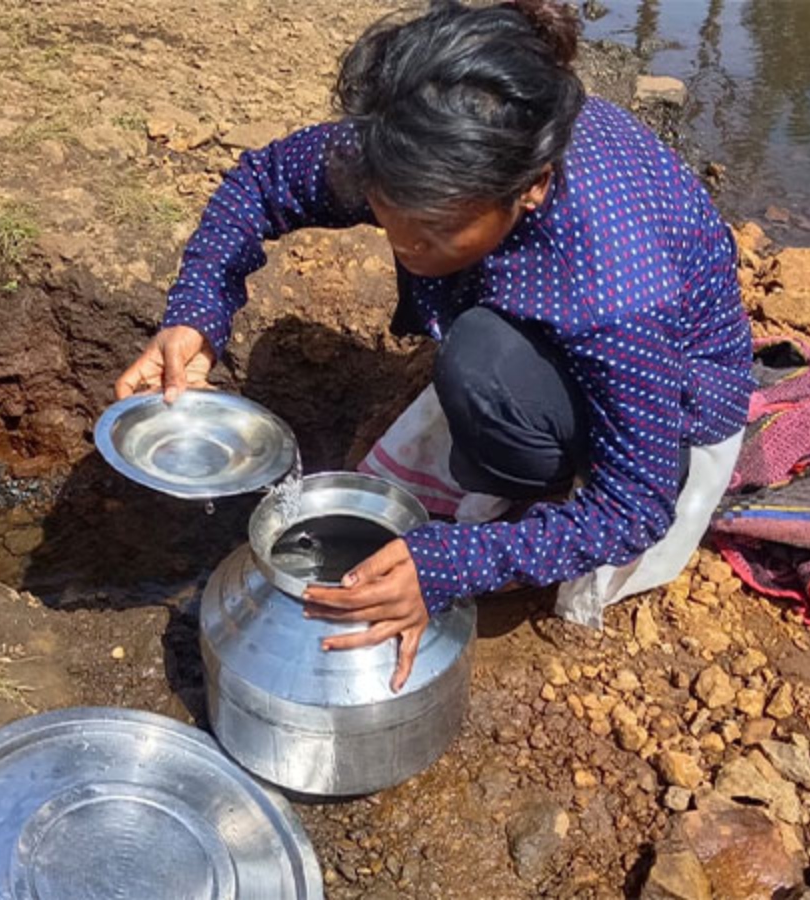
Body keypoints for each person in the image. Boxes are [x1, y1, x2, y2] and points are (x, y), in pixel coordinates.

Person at [114, 0, 753, 691]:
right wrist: (196, 316)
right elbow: (262, 183)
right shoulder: (419, 149)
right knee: (478, 347)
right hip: (556, 332)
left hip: (667, 408)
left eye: (433, 233)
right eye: (391, 222)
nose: (405, 248)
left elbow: (636, 508)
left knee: (479, 361)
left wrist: (451, 562)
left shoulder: (618, 289)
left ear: (532, 187)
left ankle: (529, 489)